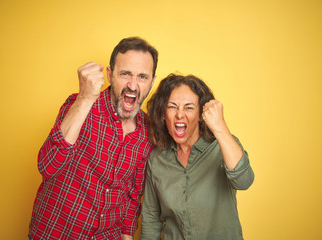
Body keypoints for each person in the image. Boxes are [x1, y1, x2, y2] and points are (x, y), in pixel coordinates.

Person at [28, 37, 158, 240]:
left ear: (152, 81)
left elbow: (133, 197)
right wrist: (84, 98)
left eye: (142, 76)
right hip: (55, 233)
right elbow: (47, 166)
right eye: (125, 74)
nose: (133, 85)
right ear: (109, 74)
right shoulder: (79, 105)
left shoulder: (147, 131)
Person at [140, 74, 255, 240]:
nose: (180, 115)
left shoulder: (223, 145)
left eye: (189, 107)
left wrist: (220, 126)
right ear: (163, 113)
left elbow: (244, 181)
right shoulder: (157, 159)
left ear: (202, 114)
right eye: (172, 107)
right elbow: (151, 219)